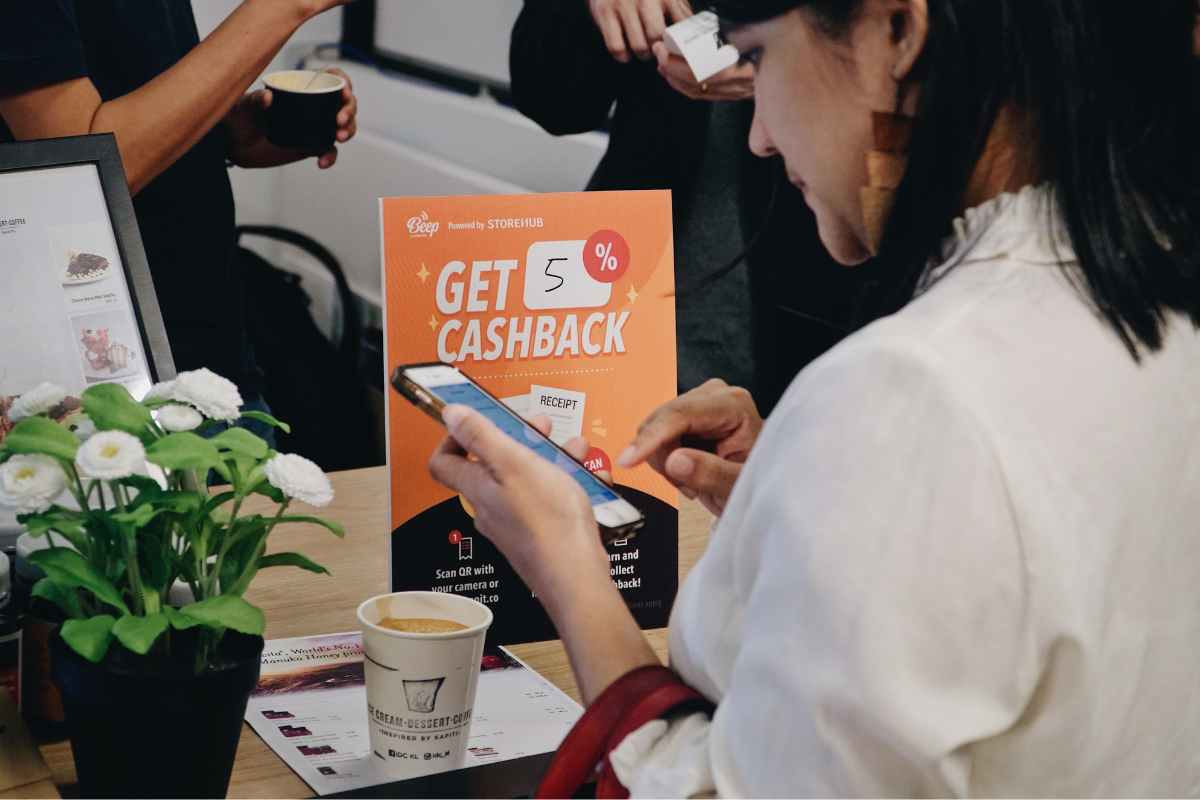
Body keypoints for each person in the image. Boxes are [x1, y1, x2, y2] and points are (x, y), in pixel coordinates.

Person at [431, 0, 1200, 795]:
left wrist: (565, 563)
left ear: (898, 31)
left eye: (760, 57)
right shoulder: (1158, 302)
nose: (759, 134)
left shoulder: (911, 392)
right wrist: (804, 489)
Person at [0, 0, 359, 437]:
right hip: (103, 398)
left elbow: (123, 96)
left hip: (218, 365)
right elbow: (79, 173)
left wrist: (219, 132)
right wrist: (284, 7)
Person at [510, 0, 862, 413]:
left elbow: (926, 71)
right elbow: (548, 97)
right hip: (631, 285)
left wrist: (785, 69)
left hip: (819, 296)